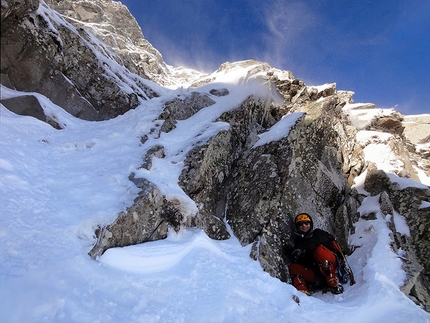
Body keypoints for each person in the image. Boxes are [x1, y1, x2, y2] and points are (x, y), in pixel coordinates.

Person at [287, 213, 346, 295]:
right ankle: (302, 293)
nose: (304, 226)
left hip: (332, 267)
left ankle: (334, 282)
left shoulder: (318, 233)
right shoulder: (299, 241)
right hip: (317, 273)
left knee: (319, 250)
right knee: (293, 267)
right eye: (301, 224)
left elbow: (317, 242)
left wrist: (303, 248)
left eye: (306, 223)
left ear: (310, 224)